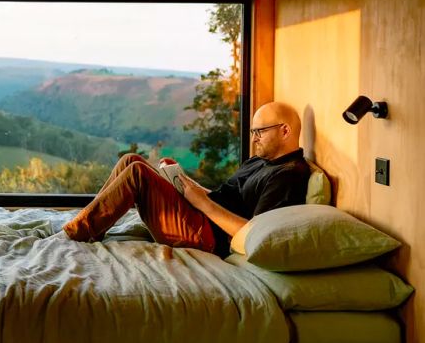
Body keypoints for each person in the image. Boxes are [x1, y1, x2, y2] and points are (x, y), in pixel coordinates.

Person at [61, 101, 311, 256]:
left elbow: (255, 235)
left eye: (260, 132)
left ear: (285, 131)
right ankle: (92, 227)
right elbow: (228, 197)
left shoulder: (288, 176)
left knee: (137, 174)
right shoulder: (261, 160)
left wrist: (202, 203)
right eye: (253, 131)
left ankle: (75, 234)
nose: (254, 138)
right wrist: (186, 184)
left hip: (208, 237)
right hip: (201, 215)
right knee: (132, 160)